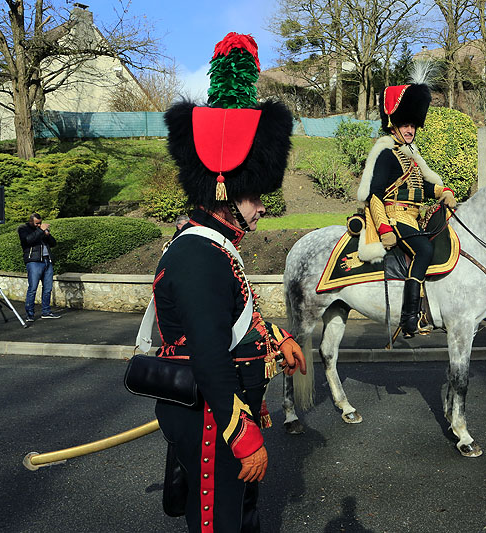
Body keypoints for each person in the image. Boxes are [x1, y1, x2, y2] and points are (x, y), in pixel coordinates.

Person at [154, 33, 306, 532]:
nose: (263, 207)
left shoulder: (213, 245)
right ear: (228, 192)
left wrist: (277, 337)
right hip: (213, 420)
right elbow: (210, 353)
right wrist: (242, 436)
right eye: (255, 195)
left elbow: (234, 317)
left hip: (223, 409)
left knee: (243, 517)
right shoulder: (199, 253)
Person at [356, 81, 457, 337]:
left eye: (412, 125)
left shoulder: (409, 155)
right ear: (393, 124)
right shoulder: (387, 154)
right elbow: (374, 195)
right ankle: (410, 316)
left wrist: (443, 192)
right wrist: (383, 226)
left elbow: (422, 186)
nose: (410, 129)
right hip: (395, 215)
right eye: (405, 125)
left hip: (414, 219)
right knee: (424, 249)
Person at [18, 212, 59, 321]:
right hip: (34, 262)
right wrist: (40, 230)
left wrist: (47, 235)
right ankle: (30, 314)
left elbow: (54, 244)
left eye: (40, 223)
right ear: (31, 221)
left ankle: (46, 311)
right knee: (32, 288)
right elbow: (27, 240)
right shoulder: (23, 229)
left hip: (47, 261)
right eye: (37, 223)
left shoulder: (41, 230)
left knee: (47, 288)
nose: (38, 225)